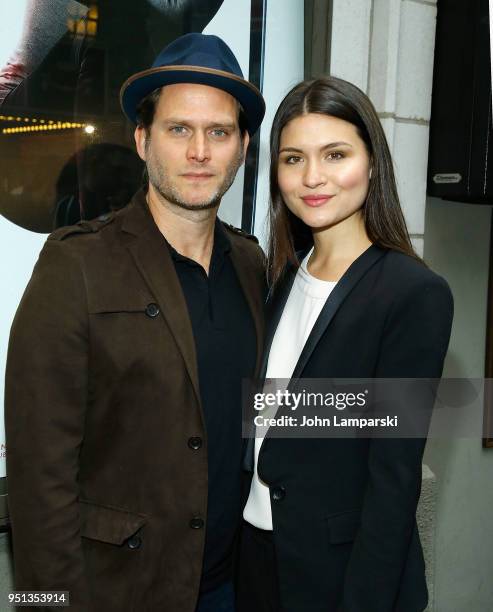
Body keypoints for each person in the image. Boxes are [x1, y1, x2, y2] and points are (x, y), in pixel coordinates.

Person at [5, 33, 266, 612]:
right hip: (117, 594)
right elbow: (38, 482)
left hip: (235, 588)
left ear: (242, 147)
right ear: (144, 140)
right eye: (179, 129)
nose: (199, 151)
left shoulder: (251, 266)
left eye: (219, 132)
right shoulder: (77, 263)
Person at [238, 77, 453, 612]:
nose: (313, 178)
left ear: (373, 163)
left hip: (342, 575)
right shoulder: (280, 277)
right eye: (293, 159)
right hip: (256, 559)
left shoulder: (412, 294)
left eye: (335, 154)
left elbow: (394, 481)